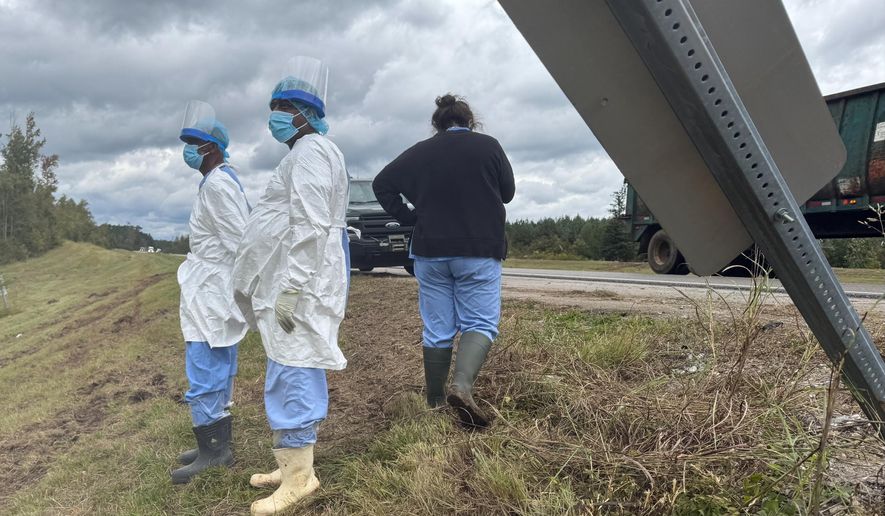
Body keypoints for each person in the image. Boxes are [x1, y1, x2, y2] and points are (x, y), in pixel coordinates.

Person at [232, 56, 349, 515]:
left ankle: (300, 478)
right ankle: (293, 462)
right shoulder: (309, 152)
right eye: (273, 105)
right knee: (290, 365)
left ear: (306, 113)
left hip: (303, 280)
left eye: (284, 106)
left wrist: (294, 286)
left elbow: (311, 224)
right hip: (297, 277)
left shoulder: (311, 152)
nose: (275, 115)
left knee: (293, 369)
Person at [372, 94, 515, 428]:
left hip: (429, 250)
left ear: (436, 124)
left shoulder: (419, 152)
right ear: (470, 122)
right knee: (479, 322)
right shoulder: (489, 146)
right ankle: (462, 387)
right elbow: (507, 193)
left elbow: (382, 184)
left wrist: (407, 216)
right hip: (478, 248)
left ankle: (435, 402)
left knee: (437, 329)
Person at [171, 100, 251, 484]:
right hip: (211, 285)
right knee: (215, 360)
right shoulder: (216, 182)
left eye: (195, 142)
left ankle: (214, 450)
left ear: (213, 148)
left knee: (204, 362)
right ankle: (214, 439)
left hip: (212, 288)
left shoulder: (218, 185)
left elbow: (239, 240)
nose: (188, 149)